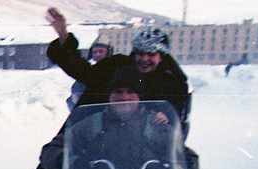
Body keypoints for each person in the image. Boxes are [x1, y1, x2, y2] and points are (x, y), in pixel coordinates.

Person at [36, 67, 195, 169]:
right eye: (118, 91)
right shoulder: (90, 124)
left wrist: (173, 167)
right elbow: (50, 151)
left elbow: (188, 159)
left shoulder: (156, 125)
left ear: (139, 97)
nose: (124, 97)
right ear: (109, 96)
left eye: (130, 92)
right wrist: (70, 162)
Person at [45, 7, 191, 133]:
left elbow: (177, 126)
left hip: (148, 151)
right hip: (104, 140)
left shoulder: (174, 83)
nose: (145, 59)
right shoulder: (116, 67)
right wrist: (64, 35)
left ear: (162, 57)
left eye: (151, 54)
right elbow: (82, 70)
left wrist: (167, 118)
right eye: (140, 53)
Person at [67, 41, 112, 111]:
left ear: (108, 52)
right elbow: (75, 96)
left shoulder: (116, 71)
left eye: (101, 51)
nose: (98, 54)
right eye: (94, 52)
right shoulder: (87, 72)